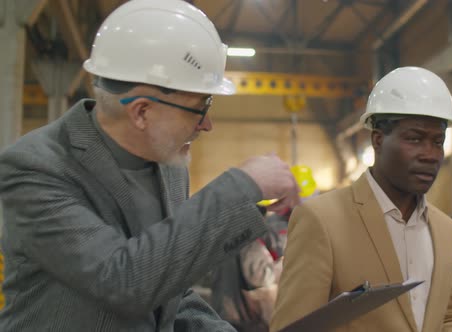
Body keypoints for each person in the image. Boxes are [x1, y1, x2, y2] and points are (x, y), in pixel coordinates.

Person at [0, 0, 300, 331]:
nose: (207, 125)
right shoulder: (37, 168)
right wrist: (242, 185)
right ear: (142, 111)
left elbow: (170, 287)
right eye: (200, 108)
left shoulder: (170, 166)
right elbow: (123, 281)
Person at [270, 67, 452, 332]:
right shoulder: (321, 221)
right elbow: (295, 328)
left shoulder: (447, 232)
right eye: (415, 139)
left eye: (438, 141)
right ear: (378, 140)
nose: (430, 155)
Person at [210, 166, 318, 331]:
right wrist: (293, 261)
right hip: (243, 320)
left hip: (226, 314)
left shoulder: (226, 229)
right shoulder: (253, 231)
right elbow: (259, 275)